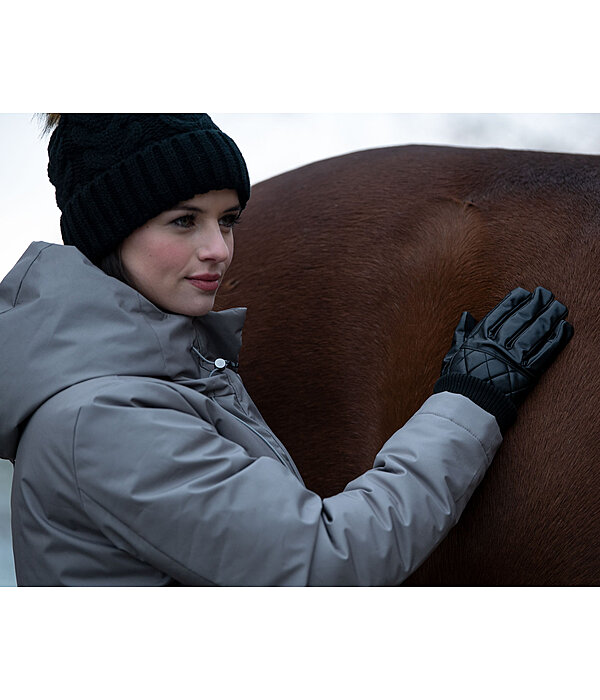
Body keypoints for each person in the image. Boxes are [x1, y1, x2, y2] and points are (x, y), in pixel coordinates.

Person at [0, 114, 573, 586]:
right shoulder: (103, 419)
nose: (217, 249)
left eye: (227, 221)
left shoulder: (160, 376)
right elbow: (325, 562)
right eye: (183, 222)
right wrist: (469, 402)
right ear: (109, 234)